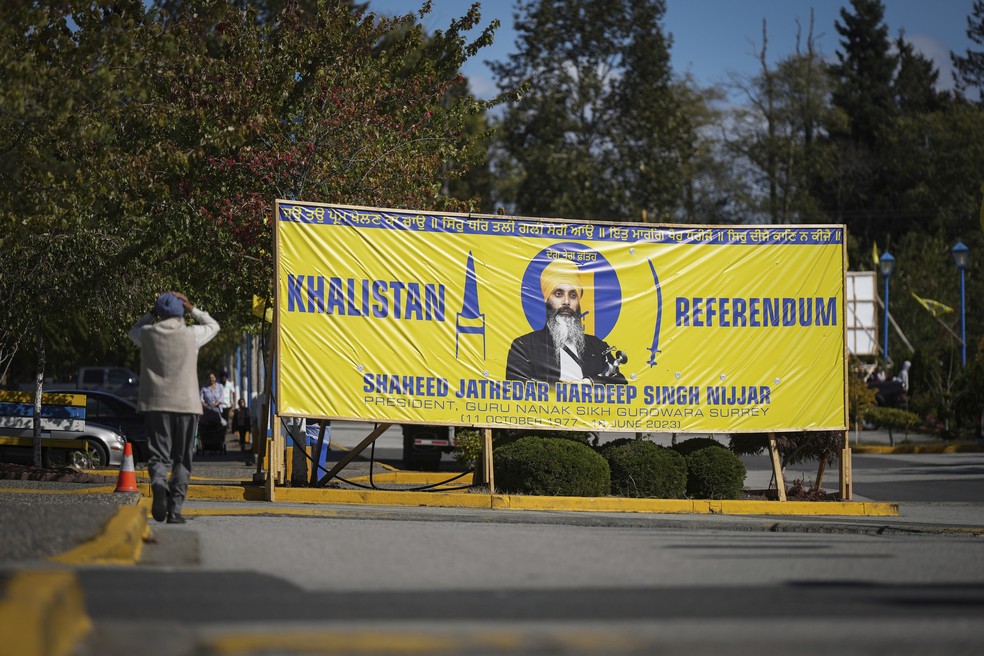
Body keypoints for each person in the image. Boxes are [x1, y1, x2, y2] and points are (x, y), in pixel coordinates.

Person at [129, 291, 219, 524]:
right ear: (181, 312)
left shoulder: (148, 334)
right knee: (182, 458)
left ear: (159, 313)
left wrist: (151, 312)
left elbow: (134, 330)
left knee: (158, 455)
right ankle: (175, 509)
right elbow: (213, 325)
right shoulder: (192, 335)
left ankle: (159, 483)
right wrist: (193, 308)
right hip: (187, 406)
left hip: (156, 405)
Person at [506, 259, 626, 384]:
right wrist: (558, 389)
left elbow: (621, 383)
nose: (567, 302)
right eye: (559, 294)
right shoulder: (524, 346)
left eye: (573, 295)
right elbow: (516, 387)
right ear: (547, 300)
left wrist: (590, 382)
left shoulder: (597, 346)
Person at [231, 397, 253, 465]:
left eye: (243, 402)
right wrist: (233, 428)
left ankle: (243, 445)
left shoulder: (246, 410)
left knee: (243, 436)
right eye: (241, 403)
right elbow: (234, 420)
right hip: (239, 425)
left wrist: (249, 427)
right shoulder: (237, 411)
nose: (242, 404)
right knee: (241, 436)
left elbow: (248, 418)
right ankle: (242, 446)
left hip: (245, 425)